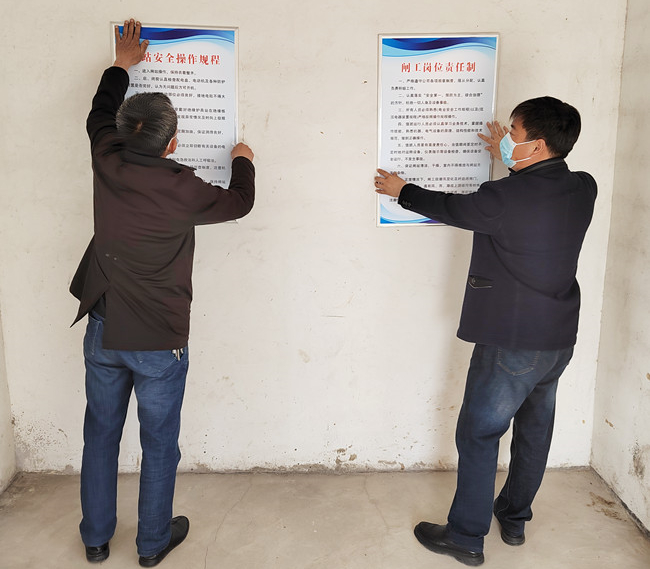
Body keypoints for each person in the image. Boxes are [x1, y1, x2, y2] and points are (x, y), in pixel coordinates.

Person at [375, 97, 596, 566]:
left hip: (511, 341)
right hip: (558, 338)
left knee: (479, 433)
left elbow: (454, 207)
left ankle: (465, 537)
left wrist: (402, 189)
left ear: (538, 145)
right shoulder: (583, 187)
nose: (505, 139)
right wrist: (510, 159)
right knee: (535, 430)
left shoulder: (503, 198)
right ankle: (514, 519)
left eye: (513, 133)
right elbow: (533, 194)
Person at [70, 20, 255, 566]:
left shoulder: (106, 154)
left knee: (100, 435)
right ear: (172, 143)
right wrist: (243, 159)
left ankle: (95, 539)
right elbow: (240, 202)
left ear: (123, 132)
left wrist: (121, 64)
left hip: (104, 324)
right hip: (158, 337)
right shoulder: (185, 188)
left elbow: (98, 111)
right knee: (158, 444)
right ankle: (151, 545)